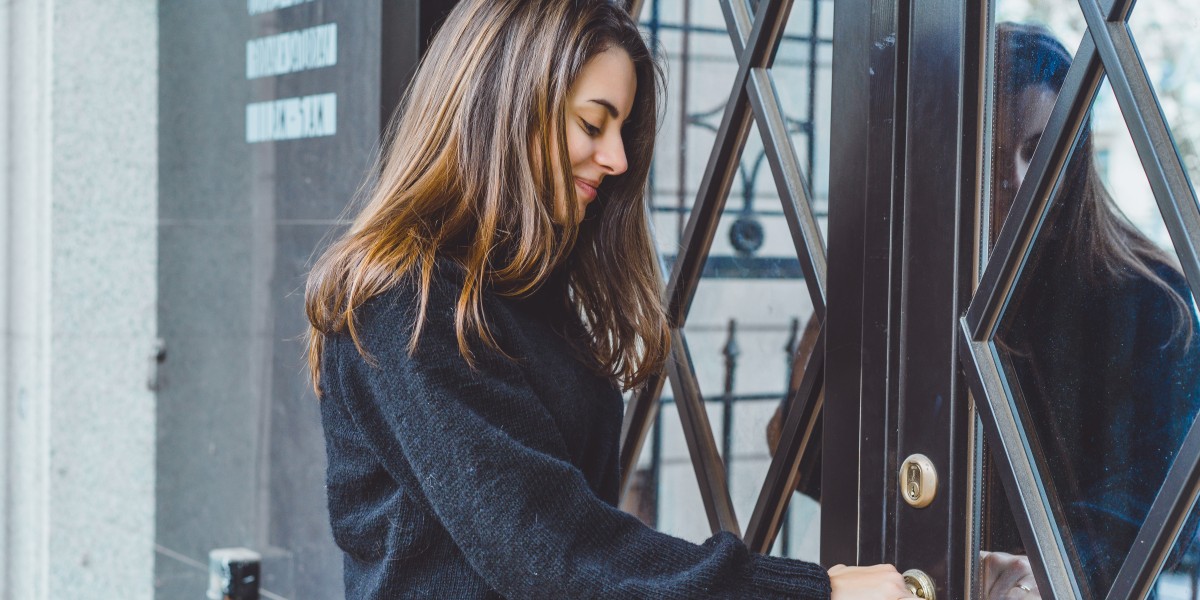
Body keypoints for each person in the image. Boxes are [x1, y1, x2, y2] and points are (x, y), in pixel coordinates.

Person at [304, 0, 915, 598]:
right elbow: (554, 553)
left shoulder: (518, 290)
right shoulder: (405, 302)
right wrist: (815, 591)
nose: (618, 158)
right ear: (503, 106)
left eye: (621, 129)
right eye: (593, 124)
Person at [984, 22, 1200, 598]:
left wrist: (1045, 571)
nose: (1014, 180)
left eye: (1037, 149)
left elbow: (1165, 500)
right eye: (989, 153)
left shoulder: (1150, 299)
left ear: (1072, 152)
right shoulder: (921, 283)